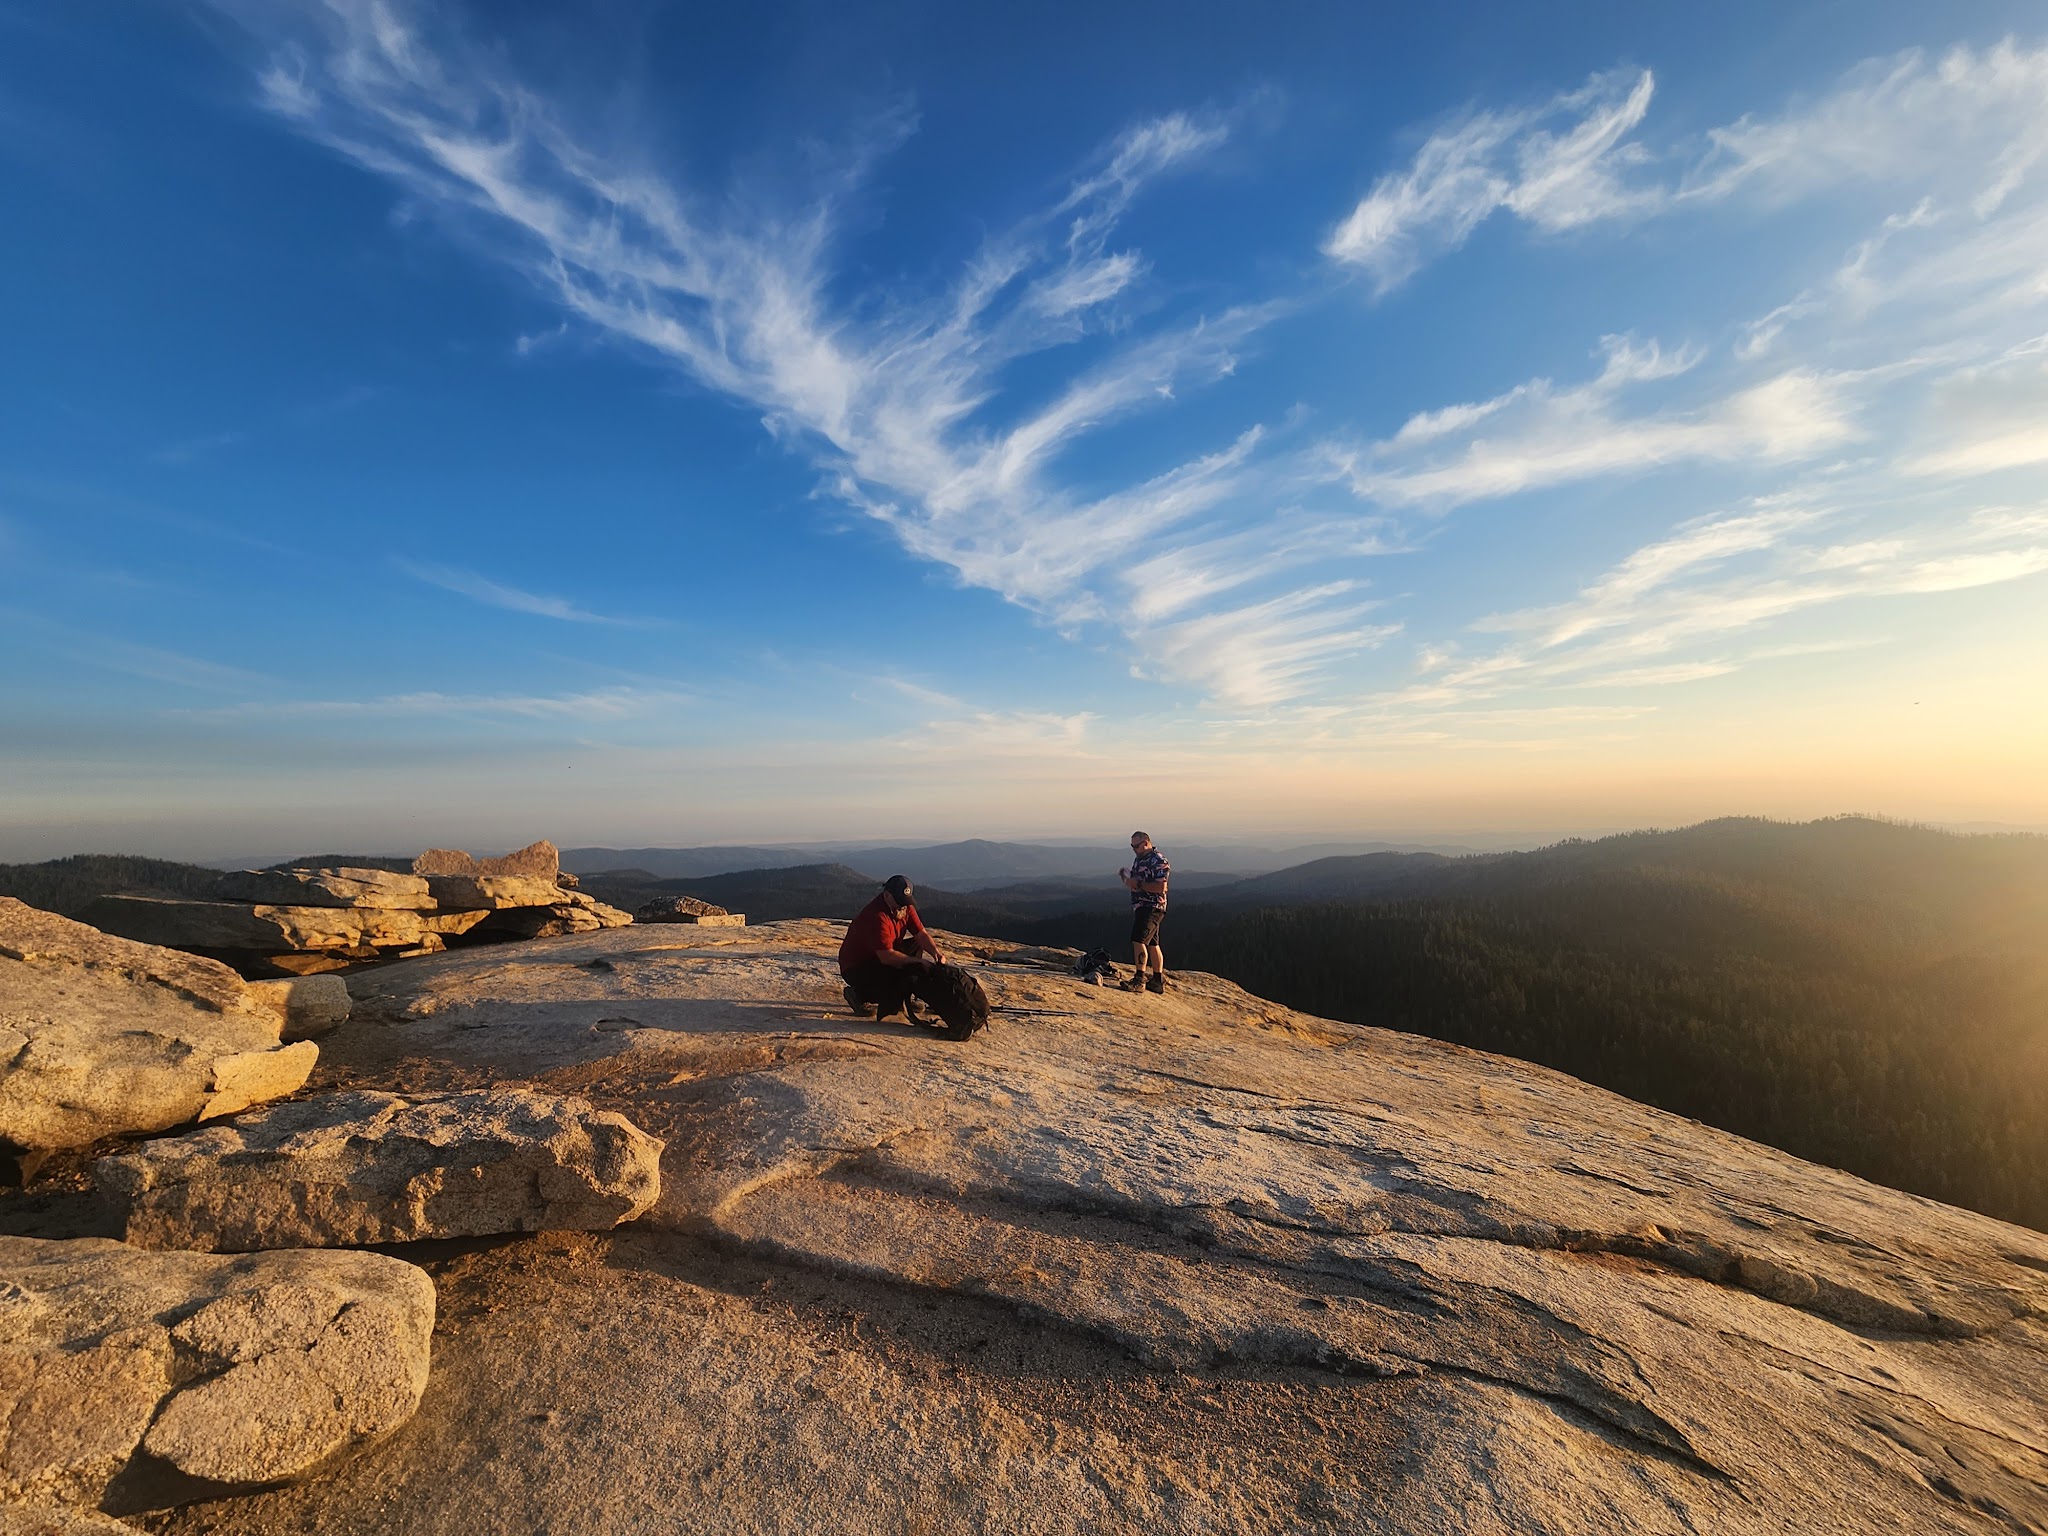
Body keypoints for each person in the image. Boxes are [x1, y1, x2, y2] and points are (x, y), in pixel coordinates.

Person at [839, 874, 943, 1022]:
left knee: (915, 945)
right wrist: (918, 962)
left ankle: (906, 994)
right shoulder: (876, 916)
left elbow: (921, 934)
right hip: (857, 967)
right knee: (894, 981)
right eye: (900, 901)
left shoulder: (905, 907)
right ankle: (858, 994)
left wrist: (936, 953)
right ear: (887, 895)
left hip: (880, 955)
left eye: (906, 901)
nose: (903, 906)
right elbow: (886, 956)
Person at [1117, 830, 1170, 993]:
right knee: (1153, 943)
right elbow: (1137, 879)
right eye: (1132, 846)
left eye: (1136, 846)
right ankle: (1157, 980)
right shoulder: (1140, 859)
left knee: (1138, 940)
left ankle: (1139, 980)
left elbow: (1161, 887)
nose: (1134, 849)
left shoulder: (1158, 861)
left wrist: (1138, 884)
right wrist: (1127, 876)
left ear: (1146, 843)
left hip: (1152, 906)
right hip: (1143, 906)